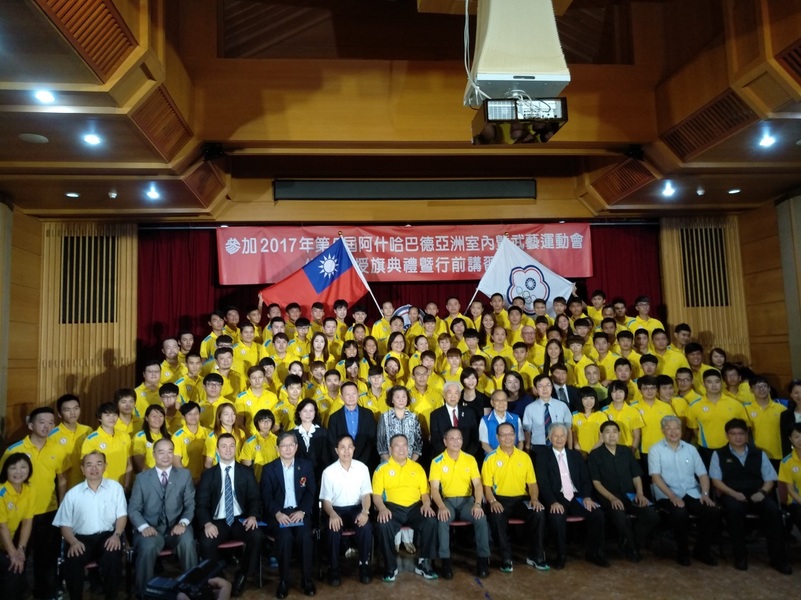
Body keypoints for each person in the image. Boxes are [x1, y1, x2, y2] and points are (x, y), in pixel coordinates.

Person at [1, 406, 69, 599]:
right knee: (17, 558)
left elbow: (62, 480)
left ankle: (45, 594)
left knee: (47, 559)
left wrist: (62, 508)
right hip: (19, 516)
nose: (47, 426)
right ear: (31, 425)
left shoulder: (58, 448)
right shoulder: (14, 450)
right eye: (42, 422)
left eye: (51, 422)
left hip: (49, 512)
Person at [709, 418, 791, 574]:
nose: (737, 437)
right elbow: (716, 481)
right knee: (733, 511)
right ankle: (740, 557)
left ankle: (778, 560)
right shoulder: (719, 454)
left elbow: (769, 479)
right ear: (727, 435)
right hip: (732, 493)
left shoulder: (759, 453)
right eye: (733, 434)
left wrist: (762, 492)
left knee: (773, 511)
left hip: (758, 493)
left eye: (741, 433)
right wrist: (733, 493)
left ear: (747, 435)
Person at [128, 439, 199, 596]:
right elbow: (133, 509)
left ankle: (193, 589)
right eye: (161, 452)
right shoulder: (142, 478)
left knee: (187, 541)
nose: (166, 456)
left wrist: (183, 523)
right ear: (153, 454)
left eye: (169, 452)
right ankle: (144, 593)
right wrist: (144, 527)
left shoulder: (184, 475)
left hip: (176, 526)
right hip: (150, 529)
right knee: (147, 546)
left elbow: (190, 505)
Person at [53, 451, 127, 600]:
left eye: (98, 464)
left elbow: (122, 516)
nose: (94, 469)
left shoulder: (115, 488)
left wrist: (116, 535)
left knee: (113, 558)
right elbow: (65, 525)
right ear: (82, 469)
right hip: (80, 539)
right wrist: (73, 542)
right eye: (89, 465)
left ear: (105, 466)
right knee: (73, 558)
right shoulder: (72, 494)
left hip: (107, 536)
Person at [196, 433, 263, 597]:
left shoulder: (246, 472)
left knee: (257, 536)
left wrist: (253, 516)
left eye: (231, 446)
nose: (228, 449)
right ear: (217, 450)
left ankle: (243, 574)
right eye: (224, 446)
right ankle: (219, 580)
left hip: (240, 520)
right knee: (206, 541)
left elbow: (255, 498)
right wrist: (207, 523)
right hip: (217, 521)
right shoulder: (208, 474)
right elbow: (201, 504)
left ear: (236, 448)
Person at [648, 415, 721, 566]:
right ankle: (683, 552)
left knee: (712, 511)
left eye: (676, 428)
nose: (673, 432)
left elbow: (702, 474)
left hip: (691, 492)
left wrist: (705, 494)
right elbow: (655, 477)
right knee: (680, 513)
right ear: (662, 430)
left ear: (681, 430)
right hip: (667, 494)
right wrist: (672, 496)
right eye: (669, 428)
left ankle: (701, 551)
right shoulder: (655, 450)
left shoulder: (691, 449)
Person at [535, 423, 608, 569]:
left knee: (597, 514)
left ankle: (594, 553)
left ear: (567, 437)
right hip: (557, 498)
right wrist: (552, 502)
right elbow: (543, 483)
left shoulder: (575, 455)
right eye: (555, 436)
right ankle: (561, 556)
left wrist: (587, 497)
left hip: (577, 497)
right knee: (557, 517)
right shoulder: (543, 457)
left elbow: (585, 479)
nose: (559, 439)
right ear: (549, 437)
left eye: (562, 435)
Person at [588, 421, 659, 562]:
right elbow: (596, 483)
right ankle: (633, 549)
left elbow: (636, 476)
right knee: (620, 517)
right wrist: (612, 498)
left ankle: (629, 541)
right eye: (607, 432)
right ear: (601, 435)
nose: (611, 435)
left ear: (619, 434)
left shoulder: (626, 451)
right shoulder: (595, 455)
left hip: (630, 496)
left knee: (652, 516)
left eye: (614, 432)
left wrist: (640, 493)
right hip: (609, 498)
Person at [482, 422, 548, 572]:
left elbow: (532, 484)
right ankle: (505, 558)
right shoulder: (490, 458)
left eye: (511, 434)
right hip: (499, 498)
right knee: (496, 515)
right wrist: (492, 501)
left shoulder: (524, 457)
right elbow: (486, 487)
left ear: (515, 435)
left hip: (521, 499)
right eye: (504, 435)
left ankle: (536, 556)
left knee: (538, 513)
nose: (508, 438)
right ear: (497, 437)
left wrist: (534, 499)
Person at [372, 434, 439, 581]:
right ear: (390, 449)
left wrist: (426, 504)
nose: (401, 449)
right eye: (397, 445)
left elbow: (425, 493)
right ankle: (390, 566)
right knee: (383, 524)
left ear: (408, 448)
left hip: (415, 507)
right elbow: (376, 495)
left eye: (404, 445)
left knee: (431, 520)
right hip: (392, 508)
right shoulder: (381, 469)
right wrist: (382, 508)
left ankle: (424, 563)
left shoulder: (417, 468)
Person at [261, 432, 317, 598]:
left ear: (296, 447)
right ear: (277, 448)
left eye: (291, 445)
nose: (287, 449)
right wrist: (277, 513)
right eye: (283, 446)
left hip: (299, 512)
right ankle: (284, 581)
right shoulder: (269, 469)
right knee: (285, 538)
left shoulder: (306, 466)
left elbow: (311, 492)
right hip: (279, 514)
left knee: (305, 536)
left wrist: (303, 511)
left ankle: (306, 580)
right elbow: (266, 496)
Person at [429, 427, 490, 579]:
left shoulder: (470, 459)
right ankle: (445, 562)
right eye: (452, 439)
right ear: (445, 442)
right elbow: (434, 489)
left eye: (459, 438)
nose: (456, 442)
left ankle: (483, 560)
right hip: (447, 501)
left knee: (481, 518)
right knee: (442, 518)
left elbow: (477, 484)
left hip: (466, 501)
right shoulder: (437, 461)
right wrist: (441, 506)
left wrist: (477, 504)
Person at [319, 434, 373, 586]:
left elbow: (366, 495)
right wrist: (332, 514)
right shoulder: (328, 472)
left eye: (350, 447)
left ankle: (364, 564)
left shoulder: (362, 468)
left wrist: (365, 512)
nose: (346, 451)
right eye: (342, 447)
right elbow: (326, 501)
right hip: (336, 509)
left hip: (356, 508)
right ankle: (333, 568)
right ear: (336, 450)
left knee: (366, 526)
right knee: (332, 528)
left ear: (354, 449)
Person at [686, 369, 749, 466]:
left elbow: (745, 429)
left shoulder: (736, 404)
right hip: (706, 450)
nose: (714, 385)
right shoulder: (694, 406)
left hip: (732, 449)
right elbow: (694, 428)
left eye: (717, 381)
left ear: (722, 383)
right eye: (709, 382)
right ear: (703, 384)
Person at [0, 453, 34, 598]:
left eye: (23, 467)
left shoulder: (28, 489)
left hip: (6, 542)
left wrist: (21, 549)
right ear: (5, 470)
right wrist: (13, 553)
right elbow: (1, 526)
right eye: (13, 468)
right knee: (12, 568)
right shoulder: (1, 492)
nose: (18, 472)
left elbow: (27, 521)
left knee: (17, 569)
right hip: (3, 541)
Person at [327, 381, 378, 471]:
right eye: (347, 394)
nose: (351, 397)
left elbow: (372, 440)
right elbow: (332, 443)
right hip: (342, 465)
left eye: (354, 393)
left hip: (365, 463)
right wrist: (343, 463)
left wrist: (361, 462)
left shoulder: (368, 414)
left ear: (358, 394)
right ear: (341, 397)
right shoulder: (334, 418)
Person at [522, 374, 572, 457]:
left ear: (552, 387)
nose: (545, 389)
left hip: (560, 446)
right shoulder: (529, 408)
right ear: (535, 389)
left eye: (548, 385)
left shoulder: (562, 406)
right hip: (538, 448)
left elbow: (568, 429)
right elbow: (527, 432)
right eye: (540, 386)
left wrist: (570, 450)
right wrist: (527, 450)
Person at [52, 394, 93, 489]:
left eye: (76, 408)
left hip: (86, 484)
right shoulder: (52, 435)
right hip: (63, 486)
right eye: (67, 410)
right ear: (59, 414)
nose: (73, 413)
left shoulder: (88, 430)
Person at [429, 381, 479, 458]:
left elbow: (474, 438)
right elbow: (436, 440)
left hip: (466, 457)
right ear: (444, 395)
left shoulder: (469, 413)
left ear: (460, 396)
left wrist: (465, 456)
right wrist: (449, 456)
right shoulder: (435, 415)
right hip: (445, 458)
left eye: (456, 393)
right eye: (450, 393)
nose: (453, 396)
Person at [376, 386, 424, 462]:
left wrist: (410, 462)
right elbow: (381, 445)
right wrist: (392, 463)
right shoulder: (384, 417)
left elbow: (418, 445)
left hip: (410, 462)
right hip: (389, 462)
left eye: (404, 396)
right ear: (392, 399)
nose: (401, 400)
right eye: (397, 397)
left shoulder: (413, 417)